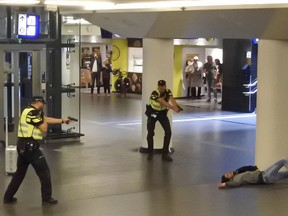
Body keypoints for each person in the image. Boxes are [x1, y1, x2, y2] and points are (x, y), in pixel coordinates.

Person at [3, 96, 70, 205]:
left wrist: (62, 120)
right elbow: (44, 128)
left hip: (23, 146)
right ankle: (46, 198)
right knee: (44, 172)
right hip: (30, 148)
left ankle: (8, 197)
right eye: (43, 104)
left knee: (19, 173)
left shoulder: (28, 111)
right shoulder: (33, 113)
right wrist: (43, 120)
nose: (43, 106)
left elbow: (45, 119)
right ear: (39, 103)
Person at [145, 80, 181, 162]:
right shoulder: (154, 93)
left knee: (168, 132)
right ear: (158, 86)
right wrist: (173, 108)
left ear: (165, 86)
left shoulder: (168, 91)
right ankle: (150, 152)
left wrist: (176, 106)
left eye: (162, 86)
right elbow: (163, 102)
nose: (161, 88)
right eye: (159, 86)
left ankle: (165, 154)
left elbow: (172, 99)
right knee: (150, 133)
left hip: (162, 114)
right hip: (153, 113)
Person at [218, 159, 288, 189]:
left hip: (265, 173)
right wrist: (226, 184)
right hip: (266, 176)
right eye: (227, 175)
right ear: (229, 179)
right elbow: (236, 184)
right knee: (283, 161)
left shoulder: (237, 174)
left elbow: (244, 168)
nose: (228, 173)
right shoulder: (237, 179)